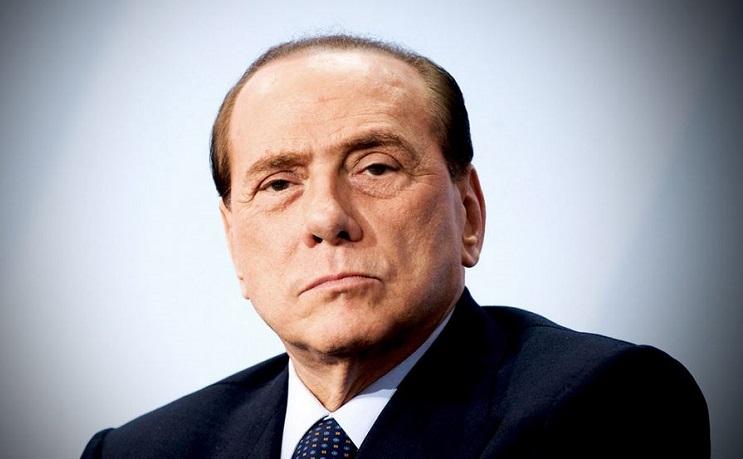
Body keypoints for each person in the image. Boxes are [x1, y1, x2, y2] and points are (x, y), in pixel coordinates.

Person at [82, 35, 709, 458]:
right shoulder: (141, 450)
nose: (327, 218)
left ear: (469, 214)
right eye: (278, 183)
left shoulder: (602, 405)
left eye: (376, 168)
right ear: (233, 244)